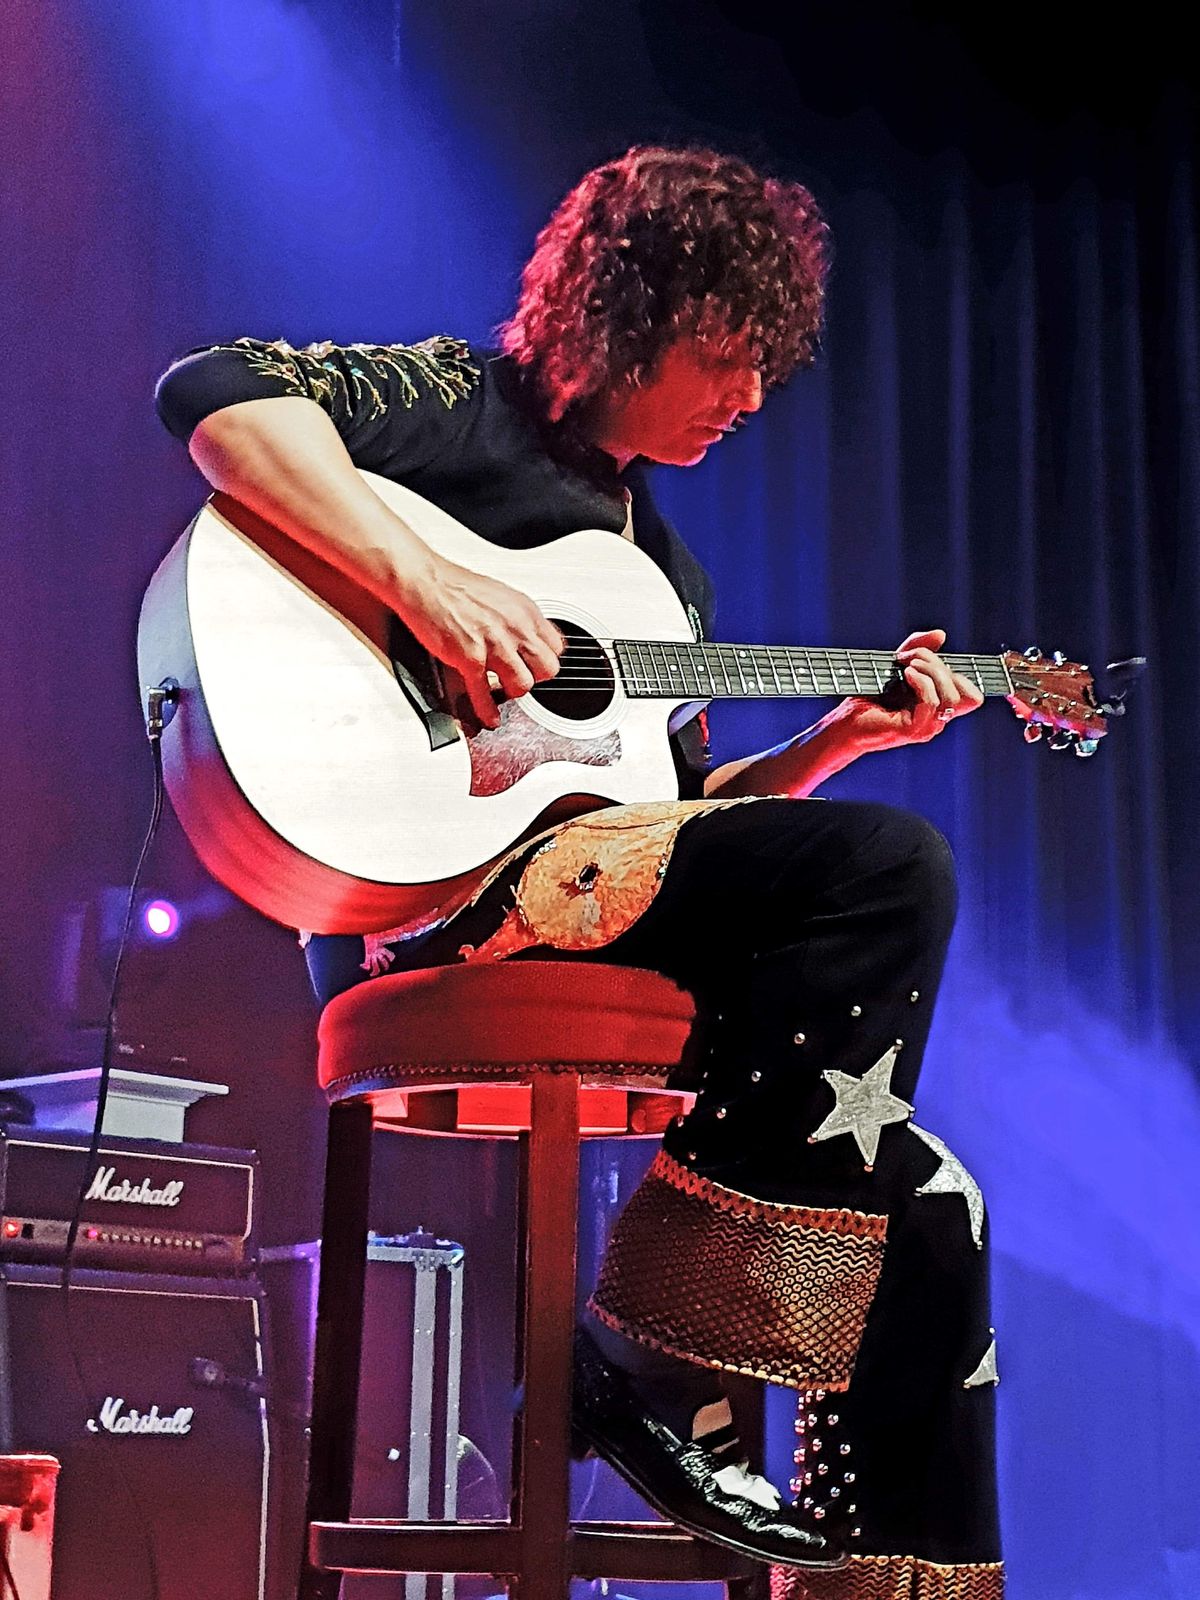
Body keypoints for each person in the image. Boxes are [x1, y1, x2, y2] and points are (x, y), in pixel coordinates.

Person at [156, 146, 1003, 1595]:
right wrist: (428, 585)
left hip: (590, 882)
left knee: (928, 1204)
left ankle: (878, 1579)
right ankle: (644, 1369)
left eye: (766, 366)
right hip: (429, 895)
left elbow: (675, 825)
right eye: (725, 354)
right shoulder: (458, 405)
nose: (750, 397)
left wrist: (835, 744)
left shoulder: (661, 575)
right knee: (897, 867)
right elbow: (214, 392)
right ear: (627, 313)